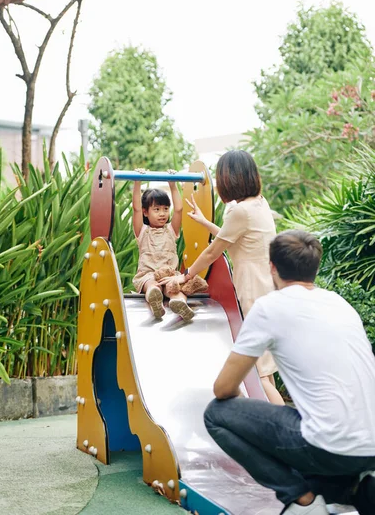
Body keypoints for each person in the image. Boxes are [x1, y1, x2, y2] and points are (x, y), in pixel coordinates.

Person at [204, 230, 375, 515]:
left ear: (272, 267)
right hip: (370, 447)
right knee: (317, 429)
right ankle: (354, 489)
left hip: (330, 447)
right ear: (315, 267)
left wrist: (246, 413)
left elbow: (223, 389)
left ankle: (301, 500)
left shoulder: (270, 307)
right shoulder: (339, 304)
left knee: (217, 414)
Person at [158, 150, 284, 405]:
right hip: (267, 286)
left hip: (251, 290)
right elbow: (235, 238)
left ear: (230, 180)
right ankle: (283, 428)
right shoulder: (259, 203)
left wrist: (185, 277)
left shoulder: (240, 212)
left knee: (259, 371)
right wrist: (205, 222)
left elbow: (214, 251)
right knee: (264, 369)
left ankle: (289, 433)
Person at [132, 170, 197, 321]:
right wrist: (137, 182)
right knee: (152, 285)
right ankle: (155, 299)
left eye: (165, 209)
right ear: (145, 212)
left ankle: (179, 303)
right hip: (149, 275)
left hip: (169, 276)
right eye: (156, 209)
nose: (162, 213)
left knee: (175, 289)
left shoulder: (171, 229)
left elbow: (179, 209)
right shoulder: (142, 231)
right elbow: (135, 208)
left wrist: (172, 185)